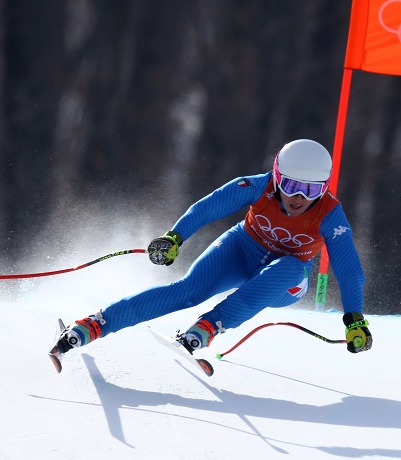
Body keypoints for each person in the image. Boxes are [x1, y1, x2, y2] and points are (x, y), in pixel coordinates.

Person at [50, 139, 371, 366]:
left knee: (288, 267)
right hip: (241, 249)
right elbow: (208, 207)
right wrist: (174, 237)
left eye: (312, 190)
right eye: (290, 185)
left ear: (324, 188)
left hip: (286, 280)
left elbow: (348, 269)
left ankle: (209, 326)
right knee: (188, 291)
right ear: (276, 176)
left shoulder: (330, 214)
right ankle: (95, 324)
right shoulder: (258, 186)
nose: (299, 197)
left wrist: (354, 319)